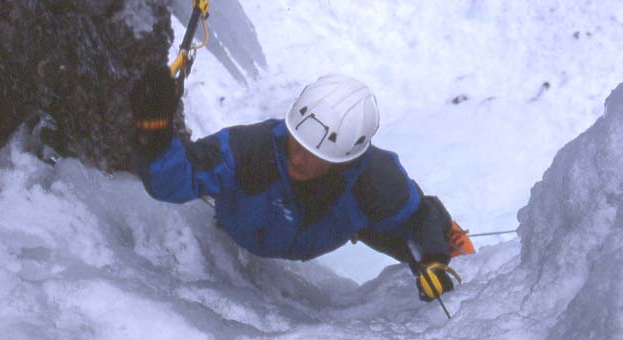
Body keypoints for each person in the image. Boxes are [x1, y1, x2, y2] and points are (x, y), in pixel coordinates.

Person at [130, 66, 459, 302]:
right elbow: (171, 182)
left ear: (345, 160)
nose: (298, 159)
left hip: (341, 223)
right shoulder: (248, 151)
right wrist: (155, 136)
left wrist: (434, 262)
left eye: (315, 154)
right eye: (295, 143)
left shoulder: (376, 181)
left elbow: (421, 218)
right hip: (246, 228)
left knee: (431, 234)